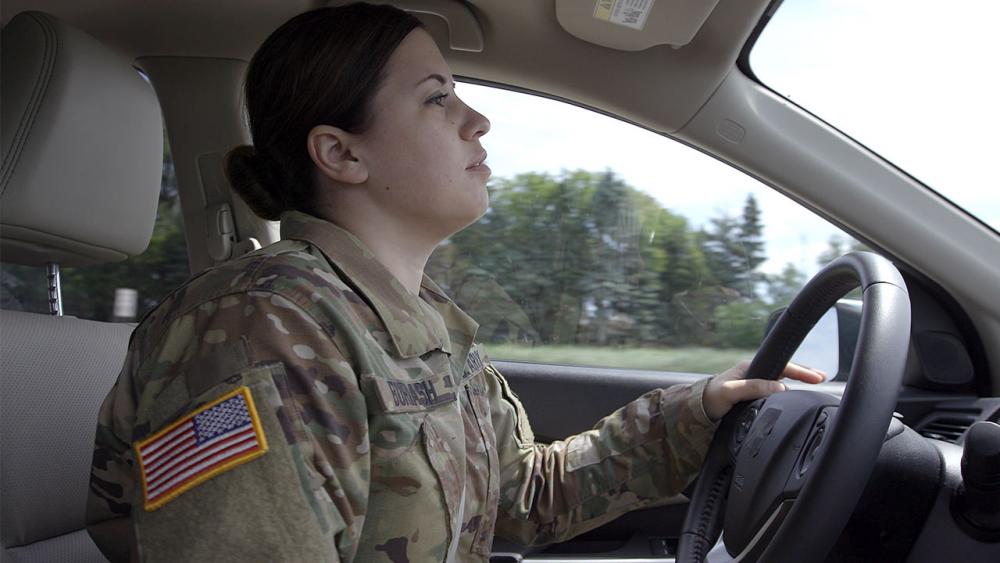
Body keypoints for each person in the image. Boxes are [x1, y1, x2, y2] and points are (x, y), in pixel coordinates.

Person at [85, 4, 824, 561]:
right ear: (341, 153)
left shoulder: (420, 318)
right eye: (438, 97)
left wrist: (697, 413)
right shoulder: (264, 329)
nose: (479, 120)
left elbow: (521, 498)